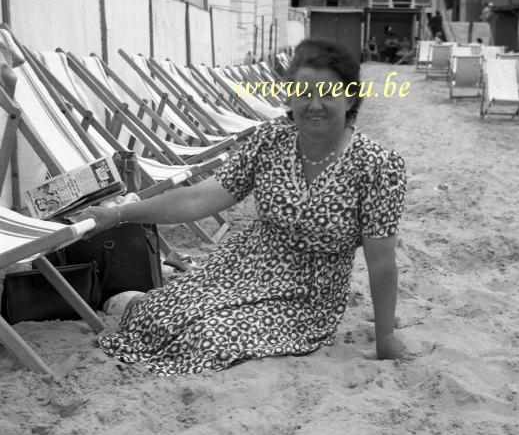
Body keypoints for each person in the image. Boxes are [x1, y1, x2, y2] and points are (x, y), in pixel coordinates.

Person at [79, 38, 409, 375]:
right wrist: (120, 214)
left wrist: (385, 336)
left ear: (350, 97)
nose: (314, 105)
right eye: (303, 94)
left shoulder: (378, 166)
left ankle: (143, 304)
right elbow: (199, 197)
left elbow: (381, 260)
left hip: (305, 298)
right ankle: (137, 302)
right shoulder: (271, 141)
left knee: (209, 338)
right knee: (160, 314)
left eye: (326, 93)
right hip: (240, 266)